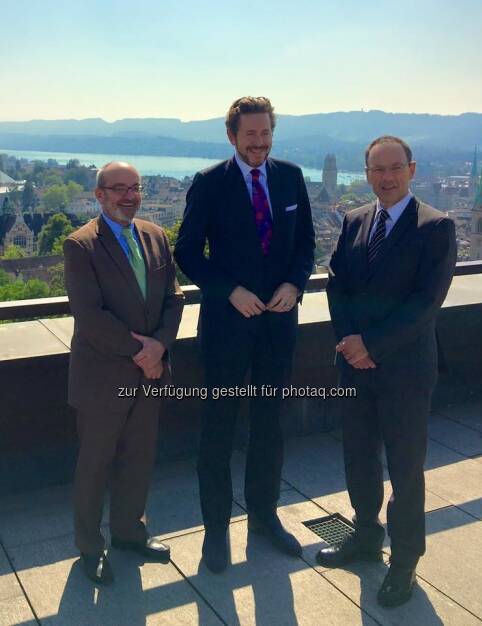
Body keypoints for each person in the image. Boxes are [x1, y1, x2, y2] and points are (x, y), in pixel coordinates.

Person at [174, 96, 315, 573]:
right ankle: (216, 530)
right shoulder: (210, 183)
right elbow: (188, 252)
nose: (259, 142)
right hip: (226, 327)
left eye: (265, 133)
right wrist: (228, 290)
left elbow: (306, 245)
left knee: (270, 425)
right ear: (232, 136)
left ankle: (264, 516)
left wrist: (295, 284)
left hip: (278, 326)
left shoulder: (291, 177)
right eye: (250, 134)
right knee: (218, 429)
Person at [317, 136, 457, 607]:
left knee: (405, 469)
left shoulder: (436, 227)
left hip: (406, 371)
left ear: (412, 169)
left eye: (395, 168)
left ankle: (405, 562)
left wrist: (370, 345)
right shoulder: (355, 220)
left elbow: (425, 303)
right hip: (355, 366)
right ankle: (364, 534)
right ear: (366, 173)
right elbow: (337, 284)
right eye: (377, 169)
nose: (386, 177)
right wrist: (351, 342)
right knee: (357, 457)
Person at [64, 161, 184, 584]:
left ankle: (130, 532)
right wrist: (144, 351)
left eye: (136, 188)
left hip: (149, 375)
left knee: (139, 458)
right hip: (104, 379)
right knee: (94, 465)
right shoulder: (80, 245)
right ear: (100, 195)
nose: (129, 196)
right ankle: (89, 547)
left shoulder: (154, 235)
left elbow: (174, 297)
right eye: (119, 189)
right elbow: (89, 316)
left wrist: (161, 346)